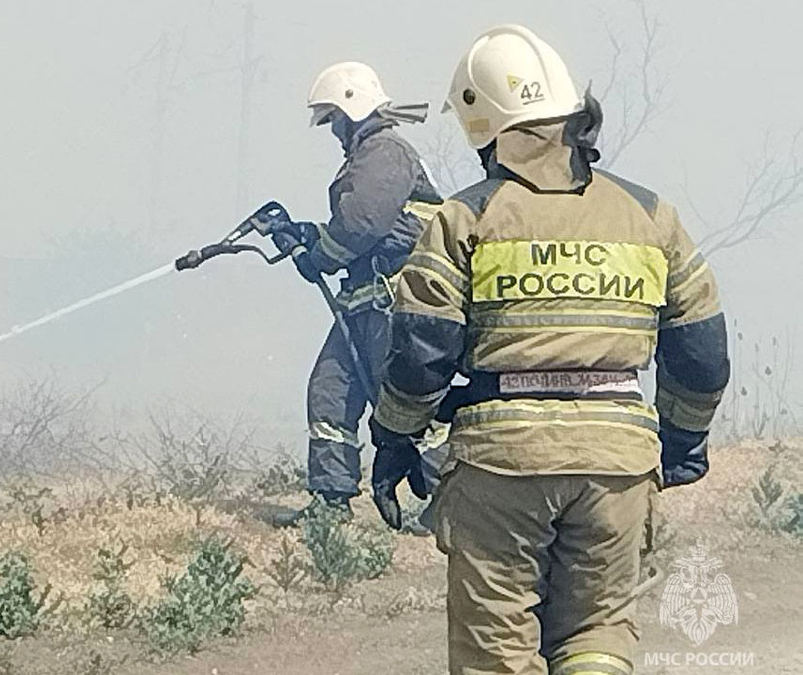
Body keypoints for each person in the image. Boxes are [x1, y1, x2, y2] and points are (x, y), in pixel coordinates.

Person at [367, 25, 730, 675]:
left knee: (496, 650)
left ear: (482, 125)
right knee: (596, 632)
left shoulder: (462, 219)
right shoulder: (651, 216)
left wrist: (395, 437)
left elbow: (422, 354)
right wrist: (683, 441)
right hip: (616, 466)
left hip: (501, 466)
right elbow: (701, 350)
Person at [273, 61, 441, 526]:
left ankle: (448, 504)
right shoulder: (369, 154)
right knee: (329, 392)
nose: (333, 130)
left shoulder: (385, 150)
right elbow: (354, 228)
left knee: (411, 399)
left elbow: (362, 224)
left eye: (334, 119)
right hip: (364, 302)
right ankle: (331, 501)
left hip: (399, 301)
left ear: (353, 108)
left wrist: (319, 255)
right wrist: (310, 236)